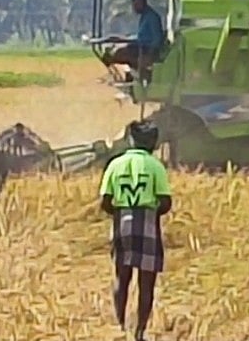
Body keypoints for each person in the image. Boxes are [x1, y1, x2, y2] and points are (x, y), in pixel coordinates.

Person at [99, 120, 172, 341]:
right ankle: (140, 331)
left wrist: (122, 213)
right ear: (153, 143)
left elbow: (105, 202)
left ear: (131, 140)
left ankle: (120, 326)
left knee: (122, 278)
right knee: (146, 282)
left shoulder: (115, 164)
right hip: (147, 223)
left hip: (122, 223)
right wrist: (149, 212)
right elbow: (166, 202)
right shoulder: (156, 166)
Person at [102, 0, 165, 68]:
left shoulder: (152, 17)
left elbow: (157, 39)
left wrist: (150, 54)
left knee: (118, 52)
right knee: (112, 48)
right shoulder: (145, 16)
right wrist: (122, 39)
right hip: (139, 47)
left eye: (136, 4)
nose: (134, 8)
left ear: (142, 2)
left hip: (144, 50)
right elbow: (140, 36)